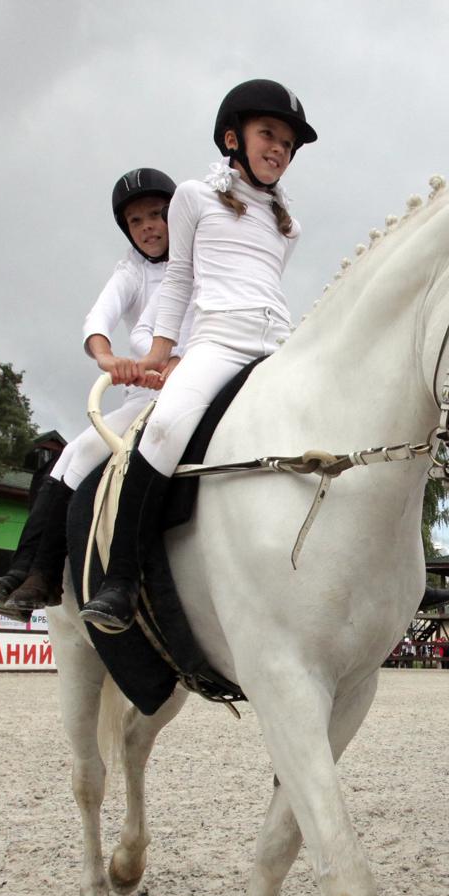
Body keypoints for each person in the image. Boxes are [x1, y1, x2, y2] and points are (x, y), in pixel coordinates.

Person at [81, 79, 314, 633]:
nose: (278, 148)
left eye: (287, 142)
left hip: (276, 344)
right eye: (268, 134)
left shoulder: (289, 224)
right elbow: (180, 279)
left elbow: (267, 288)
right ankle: (121, 579)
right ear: (233, 137)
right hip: (219, 342)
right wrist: (162, 354)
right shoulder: (192, 196)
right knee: (161, 431)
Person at [0, 166, 178, 618]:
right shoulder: (133, 270)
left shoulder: (199, 265)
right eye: (136, 221)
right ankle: (32, 572)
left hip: (190, 387)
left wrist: (172, 366)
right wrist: (107, 359)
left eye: (157, 215)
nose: (147, 227)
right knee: (73, 456)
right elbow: (98, 320)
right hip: (144, 395)